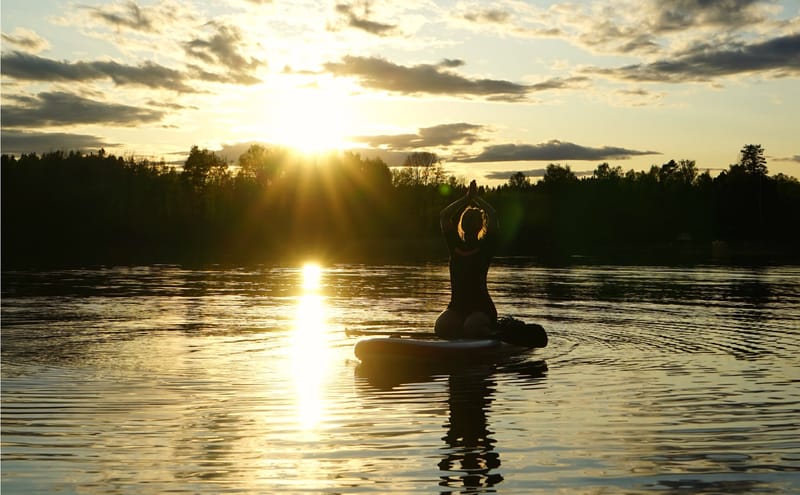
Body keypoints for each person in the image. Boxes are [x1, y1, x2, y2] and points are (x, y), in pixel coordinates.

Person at [435, 180, 499, 339]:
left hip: (481, 309)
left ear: (479, 225)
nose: (469, 223)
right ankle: (463, 332)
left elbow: (492, 215)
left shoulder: (486, 246)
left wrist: (477, 199)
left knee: (471, 326)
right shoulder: (455, 245)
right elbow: (444, 215)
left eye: (474, 220)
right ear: (462, 224)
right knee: (441, 326)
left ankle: (491, 331)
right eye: (467, 220)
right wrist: (466, 198)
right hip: (458, 308)